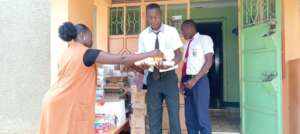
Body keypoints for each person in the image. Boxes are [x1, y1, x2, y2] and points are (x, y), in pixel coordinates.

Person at [39, 22, 162, 134]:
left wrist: (135, 67)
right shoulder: (87, 53)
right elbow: (122, 59)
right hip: (67, 104)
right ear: (82, 35)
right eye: (90, 36)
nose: (92, 41)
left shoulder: (66, 53)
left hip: (53, 101)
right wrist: (151, 53)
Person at [135, 3, 183, 134]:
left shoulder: (171, 31)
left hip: (169, 77)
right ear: (147, 18)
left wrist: (171, 63)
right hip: (153, 79)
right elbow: (141, 57)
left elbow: (179, 54)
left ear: (160, 16)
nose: (153, 20)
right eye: (150, 17)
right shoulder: (143, 35)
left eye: (156, 17)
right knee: (154, 116)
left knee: (174, 114)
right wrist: (143, 64)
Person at [180, 19, 214, 134]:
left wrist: (195, 80)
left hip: (200, 81)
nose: (182, 33)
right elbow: (185, 64)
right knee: (190, 118)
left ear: (190, 28)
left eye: (183, 30)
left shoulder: (204, 39)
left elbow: (209, 61)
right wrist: (181, 82)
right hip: (187, 81)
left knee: (202, 117)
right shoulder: (186, 44)